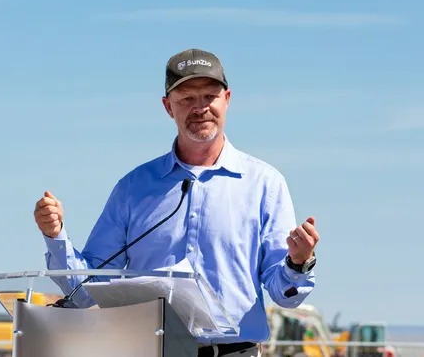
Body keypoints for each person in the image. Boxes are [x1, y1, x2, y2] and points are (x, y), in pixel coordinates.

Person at [34, 48, 319, 357]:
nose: (200, 108)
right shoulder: (133, 188)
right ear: (168, 107)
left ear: (227, 99)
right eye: (187, 100)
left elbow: (286, 295)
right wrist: (55, 236)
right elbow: (87, 290)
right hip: (149, 349)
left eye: (210, 96)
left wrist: (297, 262)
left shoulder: (265, 184)